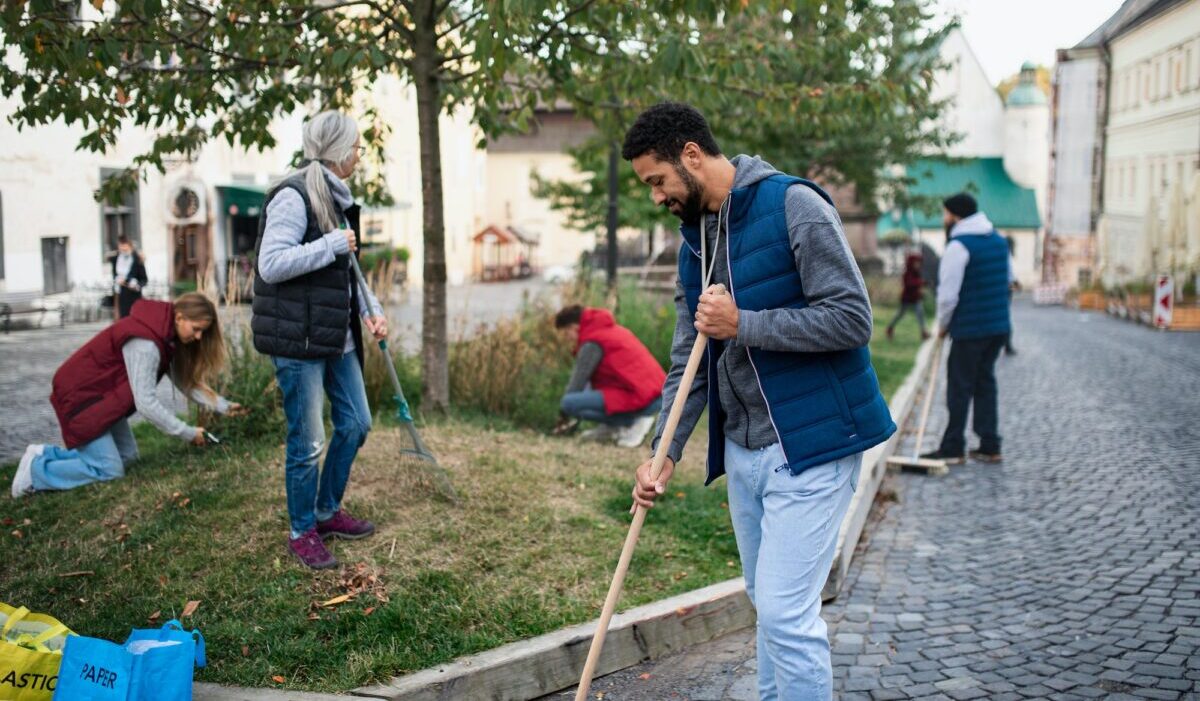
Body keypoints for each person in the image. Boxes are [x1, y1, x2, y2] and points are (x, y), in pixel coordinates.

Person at [623, 102, 895, 700]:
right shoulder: (696, 237)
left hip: (815, 445)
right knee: (768, 610)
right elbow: (686, 358)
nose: (656, 196)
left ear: (691, 155)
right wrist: (663, 450)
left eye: (658, 180)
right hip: (746, 454)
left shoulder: (796, 205)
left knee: (784, 615)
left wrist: (744, 323)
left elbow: (852, 319)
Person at [251, 110, 387, 570]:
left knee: (356, 424)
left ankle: (327, 512)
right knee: (307, 442)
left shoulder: (338, 195)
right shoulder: (293, 197)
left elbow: (347, 271)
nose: (359, 153)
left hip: (337, 335)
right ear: (338, 150)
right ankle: (302, 529)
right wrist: (329, 244)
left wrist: (373, 310)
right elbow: (271, 264)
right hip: (299, 340)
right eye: (356, 146)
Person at [12, 293, 245, 498]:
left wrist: (224, 406)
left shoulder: (164, 334)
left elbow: (185, 382)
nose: (198, 338)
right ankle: (34, 473)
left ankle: (43, 453)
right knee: (110, 470)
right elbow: (145, 403)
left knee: (128, 457)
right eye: (196, 329)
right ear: (180, 317)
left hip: (102, 401)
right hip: (82, 399)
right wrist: (188, 433)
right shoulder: (147, 344)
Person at [921, 192, 1012, 465]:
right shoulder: (998, 241)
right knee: (985, 382)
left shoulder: (958, 246)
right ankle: (989, 443)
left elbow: (948, 295)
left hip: (970, 329)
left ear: (955, 215)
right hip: (998, 327)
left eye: (945, 213)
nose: (943, 219)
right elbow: (1010, 279)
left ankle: (953, 446)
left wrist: (943, 325)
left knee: (959, 387)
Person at [553, 305, 665, 448]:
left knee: (569, 403)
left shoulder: (592, 343)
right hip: (656, 392)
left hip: (644, 397)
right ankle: (612, 426)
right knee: (586, 393)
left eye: (565, 333)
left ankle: (634, 421)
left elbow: (576, 384)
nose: (567, 339)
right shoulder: (610, 331)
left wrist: (562, 416)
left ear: (574, 327)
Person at [886, 252, 929, 341]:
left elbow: (917, 285)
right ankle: (890, 327)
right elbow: (909, 284)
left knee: (920, 314)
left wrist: (921, 291)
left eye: (919, 263)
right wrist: (921, 282)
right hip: (907, 298)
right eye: (916, 263)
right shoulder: (907, 273)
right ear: (911, 263)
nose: (918, 265)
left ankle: (924, 332)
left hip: (916, 298)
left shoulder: (917, 273)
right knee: (900, 314)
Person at [110, 234, 148, 319]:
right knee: (121, 319)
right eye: (121, 246)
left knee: (134, 318)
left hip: (133, 294)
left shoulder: (137, 259)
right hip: (119, 294)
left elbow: (144, 279)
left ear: (130, 246)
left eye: (125, 246)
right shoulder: (115, 258)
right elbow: (114, 275)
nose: (123, 248)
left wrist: (136, 285)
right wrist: (117, 280)